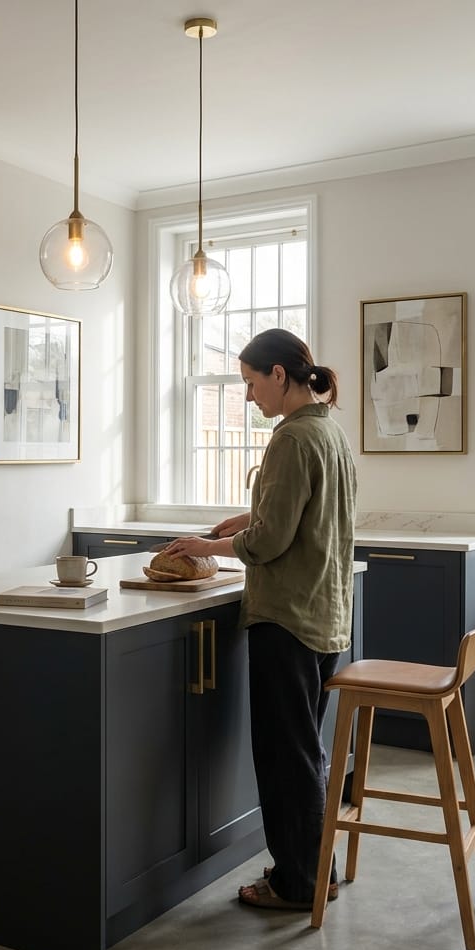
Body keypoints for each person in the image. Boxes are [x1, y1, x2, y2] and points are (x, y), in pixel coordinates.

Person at [162, 328, 357, 910]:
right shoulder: (329, 430)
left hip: (288, 618)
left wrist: (203, 547)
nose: (248, 396)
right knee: (304, 753)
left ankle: (296, 884)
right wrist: (246, 516)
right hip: (324, 614)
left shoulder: (292, 438)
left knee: (284, 757)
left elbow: (270, 542)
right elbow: (303, 510)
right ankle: (315, 873)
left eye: (250, 383)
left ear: (279, 376)